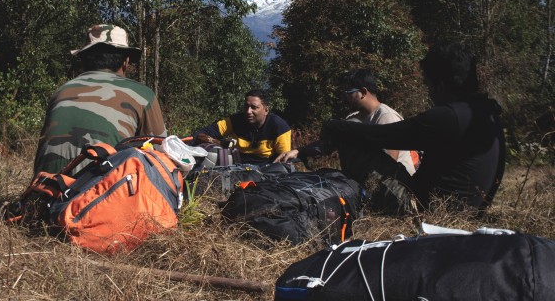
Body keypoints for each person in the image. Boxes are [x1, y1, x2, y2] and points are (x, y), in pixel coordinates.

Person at [314, 43, 505, 209]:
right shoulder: (487, 113)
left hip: (420, 207)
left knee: (352, 138)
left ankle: (355, 196)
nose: (430, 94)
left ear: (440, 86)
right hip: (468, 209)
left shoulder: (447, 117)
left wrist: (335, 126)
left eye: (428, 86)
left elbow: (382, 136)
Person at [34, 24, 167, 175]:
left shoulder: (61, 91)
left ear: (84, 59)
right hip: (101, 195)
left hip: (44, 194)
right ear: (125, 62)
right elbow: (162, 154)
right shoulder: (142, 94)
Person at [276, 69, 418, 175]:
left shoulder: (386, 117)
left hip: (393, 186)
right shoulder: (354, 118)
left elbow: (388, 162)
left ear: (363, 92)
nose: (345, 97)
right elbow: (328, 146)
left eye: (349, 92)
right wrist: (299, 151)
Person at [193, 89, 291, 164]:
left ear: (266, 110)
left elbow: (283, 160)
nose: (248, 111)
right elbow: (206, 131)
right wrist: (211, 141)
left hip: (266, 169)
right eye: (246, 106)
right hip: (236, 165)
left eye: (254, 107)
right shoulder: (235, 120)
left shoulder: (279, 126)